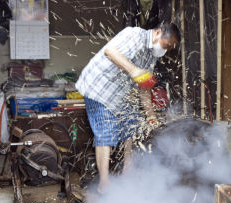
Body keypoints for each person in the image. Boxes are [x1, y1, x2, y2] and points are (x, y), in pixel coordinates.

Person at [76, 23, 181, 193]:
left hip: (119, 93)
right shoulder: (134, 36)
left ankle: (128, 170)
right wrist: (133, 70)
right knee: (106, 131)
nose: (166, 51)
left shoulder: (151, 56)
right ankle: (104, 184)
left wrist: (151, 116)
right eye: (167, 46)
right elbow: (110, 51)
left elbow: (143, 87)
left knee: (133, 123)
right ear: (158, 33)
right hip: (98, 88)